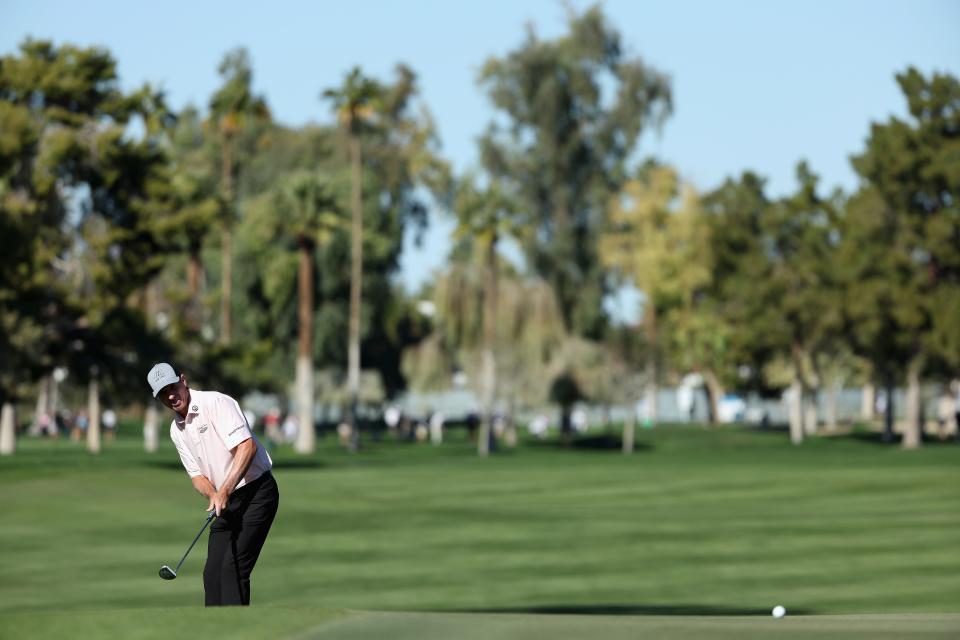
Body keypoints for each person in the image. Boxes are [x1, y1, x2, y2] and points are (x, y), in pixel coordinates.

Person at [147, 362, 279, 606]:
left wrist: (224, 490)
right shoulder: (177, 430)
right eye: (163, 393)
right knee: (212, 574)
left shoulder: (216, 403)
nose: (171, 396)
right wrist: (213, 494)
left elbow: (246, 447)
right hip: (226, 501)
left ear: (183, 380)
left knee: (233, 568)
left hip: (257, 492)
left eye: (173, 387)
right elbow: (197, 476)